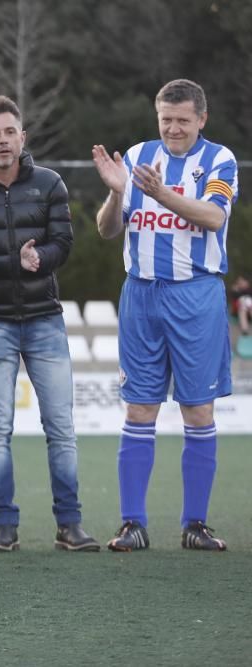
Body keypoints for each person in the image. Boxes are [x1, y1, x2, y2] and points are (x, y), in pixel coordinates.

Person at [93, 78, 236, 552]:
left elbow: (213, 217)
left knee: (198, 410)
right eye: (166, 120)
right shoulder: (135, 156)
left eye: (182, 120)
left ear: (201, 119)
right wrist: (117, 194)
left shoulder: (219, 161)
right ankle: (132, 524)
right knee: (138, 408)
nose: (173, 128)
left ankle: (195, 525)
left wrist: (159, 194)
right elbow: (108, 231)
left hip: (196, 295)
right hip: (142, 295)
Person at [0, 95, 99, 552]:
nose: (2, 141)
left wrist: (43, 258)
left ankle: (69, 525)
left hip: (45, 321)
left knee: (60, 425)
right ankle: (5, 525)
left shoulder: (50, 183)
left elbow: (64, 242)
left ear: (22, 136)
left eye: (9, 131)